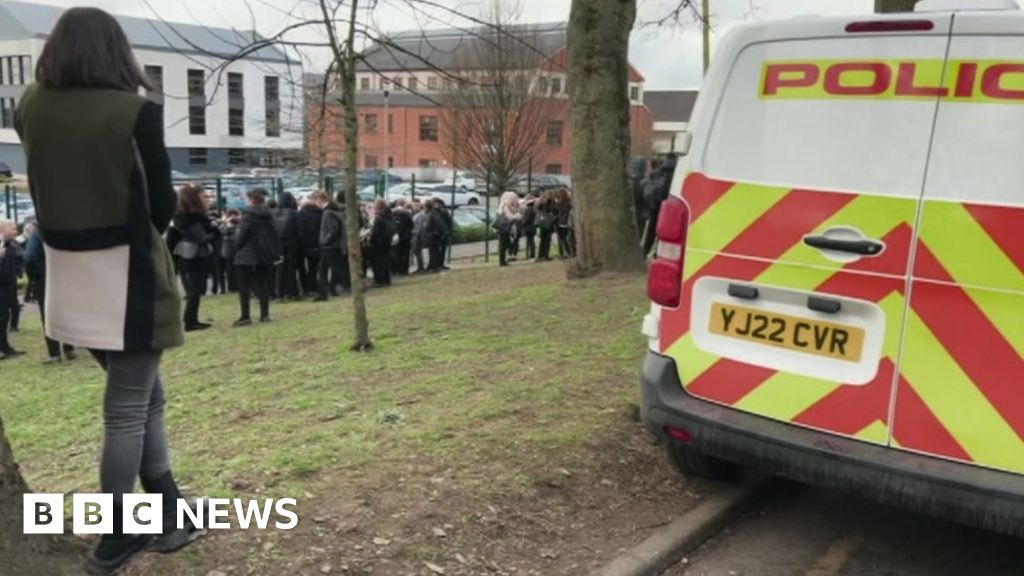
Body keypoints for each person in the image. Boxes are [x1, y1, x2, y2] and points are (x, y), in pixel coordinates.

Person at [15, 8, 202, 573]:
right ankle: (118, 532)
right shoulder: (136, 112)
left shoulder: (30, 107)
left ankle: (168, 512)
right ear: (116, 51)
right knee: (127, 409)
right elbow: (163, 204)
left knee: (147, 397)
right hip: (129, 276)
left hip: (67, 277)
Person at [24, 224, 76, 364]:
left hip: (45, 277)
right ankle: (69, 347)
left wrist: (34, 278)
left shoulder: (38, 233)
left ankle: (54, 353)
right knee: (66, 313)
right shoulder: (64, 230)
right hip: (65, 276)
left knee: (48, 314)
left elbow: (29, 258)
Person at [232, 189, 280, 326]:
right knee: (262, 285)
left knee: (243, 287)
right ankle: (265, 315)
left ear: (251, 200)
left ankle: (245, 316)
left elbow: (240, 238)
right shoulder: (269, 216)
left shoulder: (247, 216)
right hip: (263, 255)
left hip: (246, 255)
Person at [173, 184, 216, 332]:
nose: (208, 200)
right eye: (204, 197)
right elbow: (201, 238)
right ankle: (190, 321)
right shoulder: (192, 218)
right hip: (194, 255)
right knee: (195, 290)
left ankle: (191, 320)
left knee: (194, 290)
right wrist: (214, 232)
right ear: (195, 199)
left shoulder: (182, 216)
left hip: (186, 254)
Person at [641, 154, 678, 257]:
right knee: (666, 233)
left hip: (657, 206)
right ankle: (658, 253)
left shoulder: (658, 173)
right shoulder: (678, 173)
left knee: (652, 231)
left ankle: (645, 252)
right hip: (672, 208)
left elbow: (651, 190)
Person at [313, 191, 345, 301]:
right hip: (333, 246)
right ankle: (331, 289)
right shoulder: (334, 211)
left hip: (329, 246)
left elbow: (332, 230)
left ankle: (323, 293)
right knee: (331, 269)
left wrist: (325, 241)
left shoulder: (327, 213)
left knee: (322, 270)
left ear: (320, 199)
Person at [0, 221, 24, 359]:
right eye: (12, 228)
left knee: (4, 316)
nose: (16, 231)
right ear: (3, 229)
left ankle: (4, 347)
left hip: (8, 285)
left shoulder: (10, 244)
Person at [272, 192, 300, 301]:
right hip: (291, 244)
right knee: (291, 268)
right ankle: (292, 292)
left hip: (277, 244)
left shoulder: (273, 213)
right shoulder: (294, 213)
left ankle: (279, 292)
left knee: (279, 268)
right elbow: (299, 231)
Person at [294, 197, 324, 296]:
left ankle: (305, 286)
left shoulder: (300, 215)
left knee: (302, 267)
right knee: (313, 267)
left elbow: (300, 231)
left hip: (303, 244)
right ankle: (313, 285)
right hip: (316, 243)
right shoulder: (321, 214)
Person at [369, 198, 395, 287]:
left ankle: (379, 280)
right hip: (387, 241)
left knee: (377, 262)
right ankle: (386, 279)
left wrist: (371, 240)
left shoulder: (378, 217)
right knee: (385, 261)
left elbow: (375, 231)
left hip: (378, 243)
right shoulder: (389, 216)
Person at [494, 192, 522, 267]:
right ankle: (502, 262)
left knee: (505, 244)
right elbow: (510, 217)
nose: (515, 201)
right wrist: (516, 216)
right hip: (503, 227)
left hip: (504, 227)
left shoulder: (503, 206)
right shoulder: (505, 206)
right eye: (513, 199)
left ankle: (503, 260)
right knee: (503, 245)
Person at [219, 209, 241, 292]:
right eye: (231, 215)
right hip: (228, 250)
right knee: (229, 270)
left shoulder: (239, 224)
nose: (233, 217)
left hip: (237, 249)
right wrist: (228, 226)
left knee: (238, 269)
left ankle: (238, 285)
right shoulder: (224, 224)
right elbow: (222, 232)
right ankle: (231, 286)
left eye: (234, 215)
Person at [391, 198, 414, 276]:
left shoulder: (392, 213)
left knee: (397, 254)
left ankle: (398, 269)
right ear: (404, 204)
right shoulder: (406, 213)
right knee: (406, 254)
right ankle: (405, 270)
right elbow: (411, 225)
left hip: (396, 236)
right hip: (406, 237)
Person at [534, 191, 557, 262]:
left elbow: (536, 210)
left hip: (541, 223)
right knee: (547, 240)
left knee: (542, 240)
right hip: (547, 222)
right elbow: (553, 210)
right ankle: (545, 255)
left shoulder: (540, 202)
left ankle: (540, 255)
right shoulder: (550, 202)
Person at [553, 188, 575, 258]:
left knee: (563, 239)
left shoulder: (559, 204)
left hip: (561, 223)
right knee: (571, 238)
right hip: (569, 222)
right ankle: (573, 252)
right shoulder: (569, 203)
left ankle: (567, 252)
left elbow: (555, 211)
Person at [410, 199, 428, 274]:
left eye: (417, 205)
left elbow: (421, 226)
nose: (415, 207)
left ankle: (421, 267)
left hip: (417, 234)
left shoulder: (421, 214)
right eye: (414, 205)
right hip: (414, 234)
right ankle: (420, 267)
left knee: (417, 251)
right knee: (416, 251)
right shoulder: (413, 214)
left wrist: (418, 235)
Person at [520, 194, 537, 260]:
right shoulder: (534, 208)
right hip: (532, 227)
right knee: (531, 241)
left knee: (529, 241)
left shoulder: (528, 209)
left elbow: (526, 219)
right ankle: (531, 254)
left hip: (528, 227)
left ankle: (530, 254)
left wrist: (522, 224)